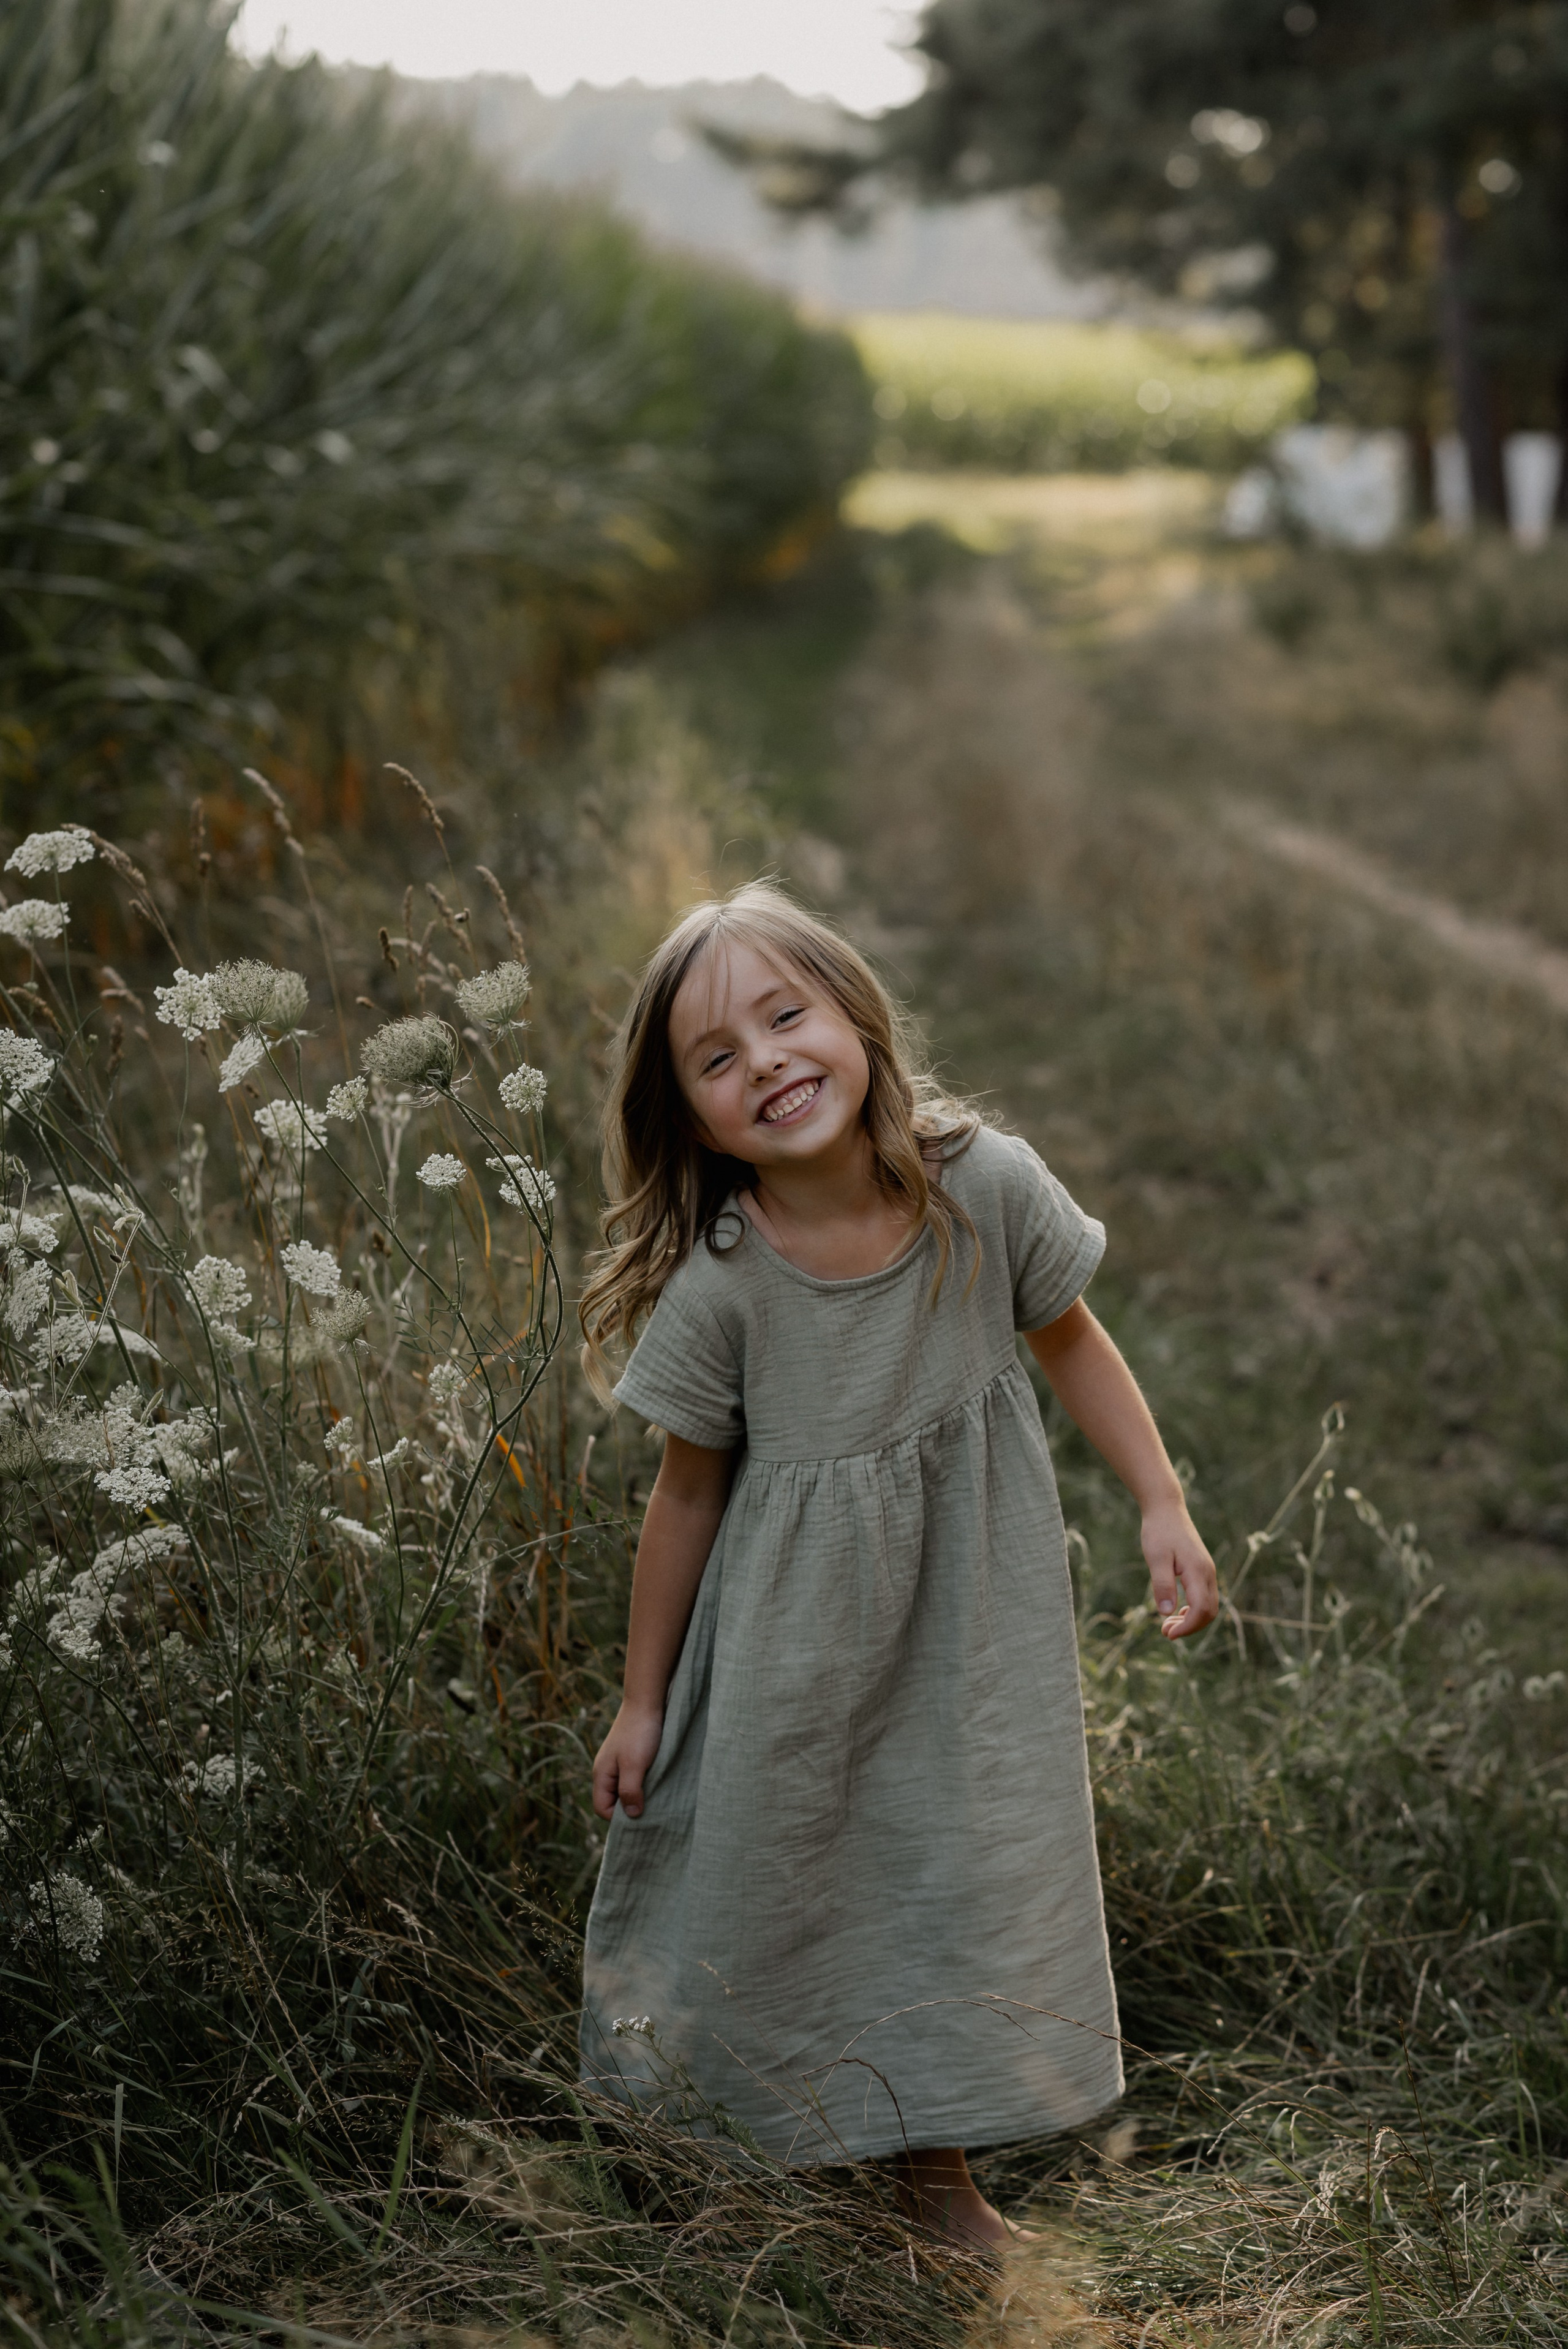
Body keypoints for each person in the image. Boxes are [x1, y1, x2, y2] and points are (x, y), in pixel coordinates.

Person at [577, 881, 1216, 2252]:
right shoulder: (727, 1283)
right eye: (717, 1058)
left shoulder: (984, 1187)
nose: (767, 1063)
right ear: (693, 1119)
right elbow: (684, 1496)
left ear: (856, 1016)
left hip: (966, 1633)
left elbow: (1072, 1339)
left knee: (944, 1872)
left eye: (785, 1017)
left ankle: (936, 2189)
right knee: (793, 1882)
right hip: (795, 1651)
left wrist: (1159, 1501)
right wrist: (641, 1701)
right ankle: (735, 2147)